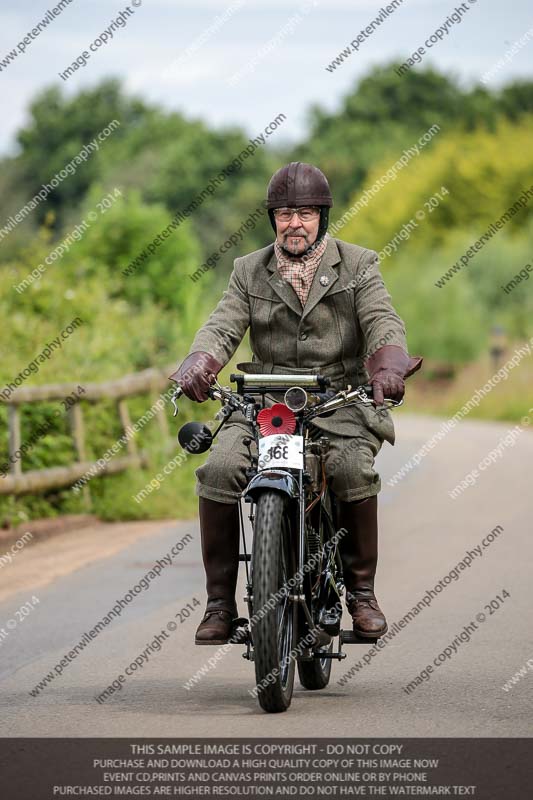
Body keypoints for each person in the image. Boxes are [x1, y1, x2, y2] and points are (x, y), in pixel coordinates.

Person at [171, 162, 422, 646]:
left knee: (350, 468)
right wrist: (199, 363)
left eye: (306, 213)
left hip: (338, 398)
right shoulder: (248, 270)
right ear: (273, 220)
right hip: (263, 399)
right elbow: (222, 325)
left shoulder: (358, 264)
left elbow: (381, 318)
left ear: (322, 217)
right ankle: (219, 603)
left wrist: (388, 366)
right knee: (219, 468)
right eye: (285, 214)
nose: (295, 224)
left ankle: (361, 594)